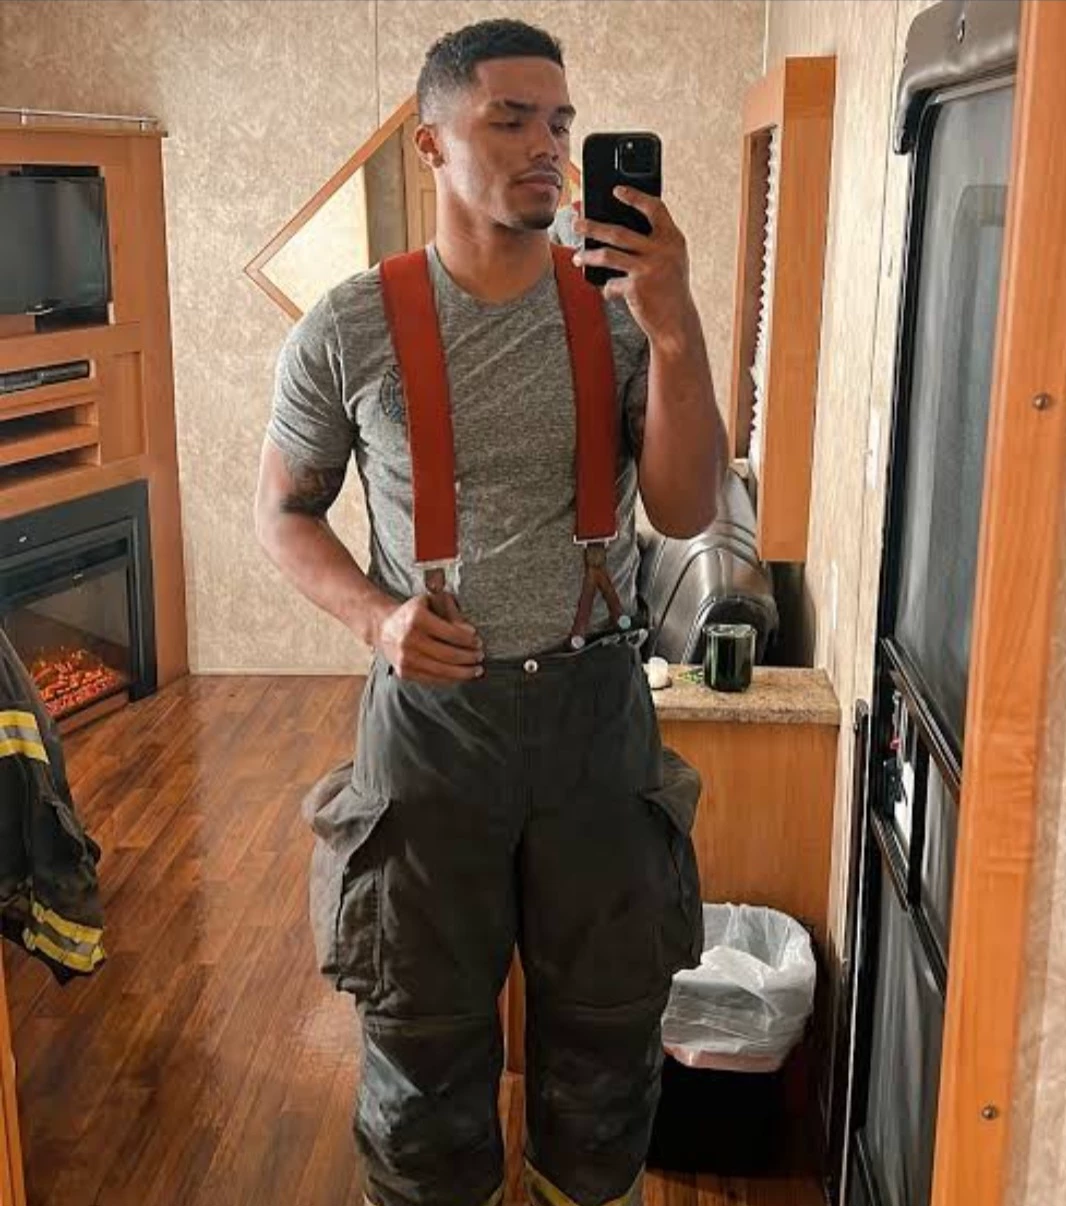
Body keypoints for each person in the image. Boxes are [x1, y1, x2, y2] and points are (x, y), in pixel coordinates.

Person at [255, 18, 726, 1206]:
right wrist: (376, 619)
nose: (546, 147)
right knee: (421, 1042)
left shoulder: (623, 313)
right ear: (431, 143)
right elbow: (285, 514)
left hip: (595, 716)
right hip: (430, 730)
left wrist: (676, 326)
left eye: (559, 122)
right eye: (508, 119)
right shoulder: (347, 327)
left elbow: (683, 509)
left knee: (611, 1039)